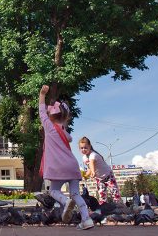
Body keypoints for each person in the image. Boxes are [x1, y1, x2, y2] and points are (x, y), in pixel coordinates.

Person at [39, 85, 93, 230]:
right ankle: (86, 219)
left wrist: (42, 94)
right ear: (65, 117)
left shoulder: (49, 128)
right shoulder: (65, 133)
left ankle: (65, 200)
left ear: (51, 116)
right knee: (76, 193)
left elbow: (41, 112)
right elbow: (66, 133)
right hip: (72, 165)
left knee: (53, 191)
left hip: (58, 167)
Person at [79, 136, 122, 205]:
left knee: (115, 193)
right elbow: (90, 168)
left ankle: (120, 207)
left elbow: (92, 163)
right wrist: (86, 175)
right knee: (102, 195)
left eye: (85, 147)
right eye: (81, 148)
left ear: (90, 146)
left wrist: (93, 172)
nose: (83, 149)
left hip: (108, 176)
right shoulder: (84, 158)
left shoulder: (93, 154)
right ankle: (103, 208)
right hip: (100, 179)